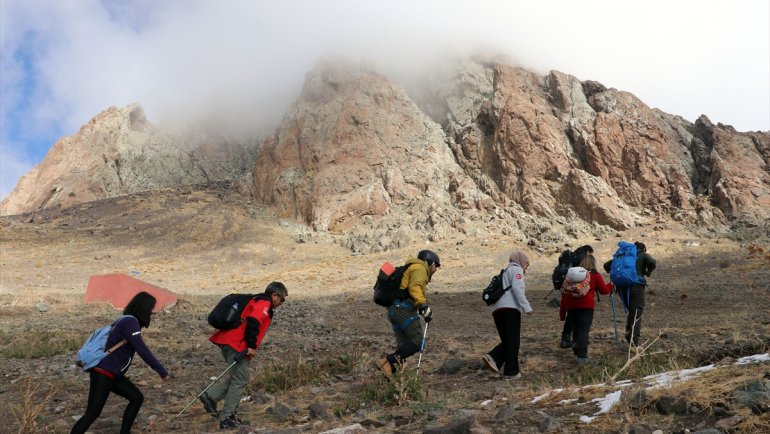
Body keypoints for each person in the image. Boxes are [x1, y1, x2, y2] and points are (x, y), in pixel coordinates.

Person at [71, 292, 170, 434]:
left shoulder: (125, 321)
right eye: (151, 308)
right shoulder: (130, 322)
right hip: (103, 373)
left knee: (136, 397)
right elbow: (142, 349)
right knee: (92, 413)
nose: (152, 312)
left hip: (112, 374)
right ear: (144, 307)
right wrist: (161, 371)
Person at [202, 282, 287, 430]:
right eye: (282, 299)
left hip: (229, 341)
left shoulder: (257, 300)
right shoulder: (264, 302)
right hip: (237, 344)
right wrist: (251, 346)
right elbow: (253, 322)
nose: (282, 303)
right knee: (240, 380)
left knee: (238, 378)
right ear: (274, 295)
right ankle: (227, 418)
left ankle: (211, 397)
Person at [374, 249, 440, 378]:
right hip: (403, 309)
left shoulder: (411, 267)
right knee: (418, 341)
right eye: (436, 265)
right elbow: (414, 288)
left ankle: (394, 378)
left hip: (394, 310)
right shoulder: (419, 268)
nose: (436, 269)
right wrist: (423, 306)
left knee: (403, 347)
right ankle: (388, 362)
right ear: (429, 262)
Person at [481, 250, 533, 379]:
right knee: (513, 341)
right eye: (526, 264)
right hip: (510, 309)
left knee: (508, 340)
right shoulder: (517, 270)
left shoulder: (504, 272)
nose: (526, 267)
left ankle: (496, 360)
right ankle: (510, 371)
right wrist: (527, 307)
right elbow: (517, 289)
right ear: (520, 261)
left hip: (497, 310)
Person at [559, 255, 613, 364]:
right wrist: (611, 285)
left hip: (570, 305)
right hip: (585, 305)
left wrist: (563, 311)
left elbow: (564, 292)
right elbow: (604, 291)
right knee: (584, 330)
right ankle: (582, 357)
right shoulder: (595, 275)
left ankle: (576, 345)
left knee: (576, 327)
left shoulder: (572, 274)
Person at [603, 241, 656, 346]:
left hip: (622, 287)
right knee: (636, 313)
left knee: (632, 311)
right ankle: (634, 343)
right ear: (644, 249)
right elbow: (652, 262)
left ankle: (629, 333)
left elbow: (606, 265)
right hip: (637, 287)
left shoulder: (623, 255)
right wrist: (648, 272)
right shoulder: (642, 254)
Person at [558, 245, 594, 349]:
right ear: (588, 252)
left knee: (570, 314)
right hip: (578, 291)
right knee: (578, 318)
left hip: (568, 287)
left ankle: (566, 338)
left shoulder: (574, 256)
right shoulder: (582, 258)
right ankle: (577, 341)